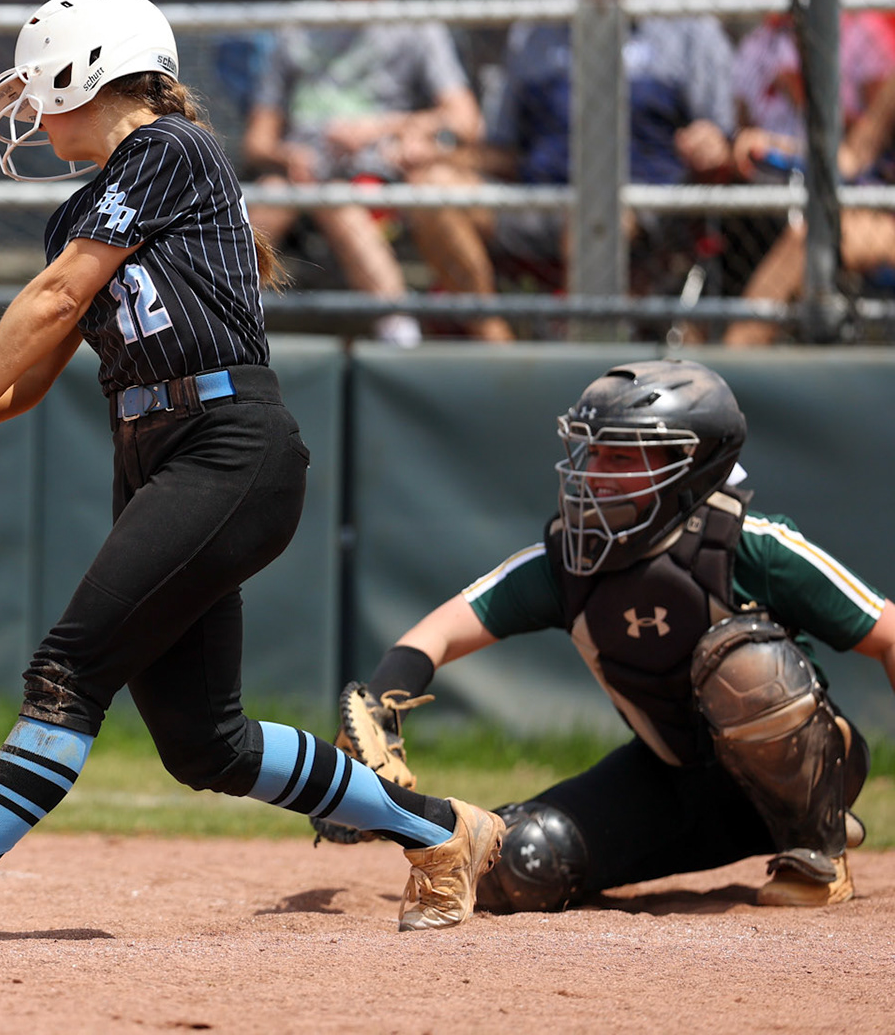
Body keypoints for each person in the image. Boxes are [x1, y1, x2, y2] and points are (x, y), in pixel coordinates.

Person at [0, 0, 505, 946]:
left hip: (231, 448)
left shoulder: (169, 151)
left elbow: (56, 302)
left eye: (42, 87)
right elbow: (38, 374)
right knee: (204, 745)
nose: (31, 111)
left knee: (67, 672)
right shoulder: (78, 215)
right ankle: (443, 834)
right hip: (160, 459)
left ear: (86, 70)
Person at [327, 359, 893, 910]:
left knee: (748, 668)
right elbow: (437, 635)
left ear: (691, 467)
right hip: (668, 779)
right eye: (590, 450)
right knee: (519, 864)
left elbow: (888, 634)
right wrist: (377, 715)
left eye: (619, 456)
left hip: (801, 770)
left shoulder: (752, 547)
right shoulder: (571, 563)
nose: (592, 471)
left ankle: (814, 844)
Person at [409, 0, 736, 328]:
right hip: (541, 197)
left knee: (594, 219)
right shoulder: (539, 27)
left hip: (640, 207)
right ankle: (497, 350)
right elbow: (505, 149)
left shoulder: (689, 28)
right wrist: (444, 153)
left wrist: (709, 141)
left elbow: (718, 136)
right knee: (430, 187)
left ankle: (584, 357)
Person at [243, 0, 483, 345]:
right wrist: (285, 154)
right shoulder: (297, 28)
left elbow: (465, 119)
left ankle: (399, 342)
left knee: (336, 198)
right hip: (300, 177)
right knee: (255, 209)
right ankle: (207, 322)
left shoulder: (419, 29)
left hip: (377, 181)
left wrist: (377, 129)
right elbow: (258, 140)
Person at [723, 0, 895, 345]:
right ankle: (704, 370)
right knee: (732, 227)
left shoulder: (866, 34)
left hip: (876, 215)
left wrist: (807, 93)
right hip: (859, 209)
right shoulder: (763, 42)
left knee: (808, 236)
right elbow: (853, 156)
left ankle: (730, 371)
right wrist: (774, 147)